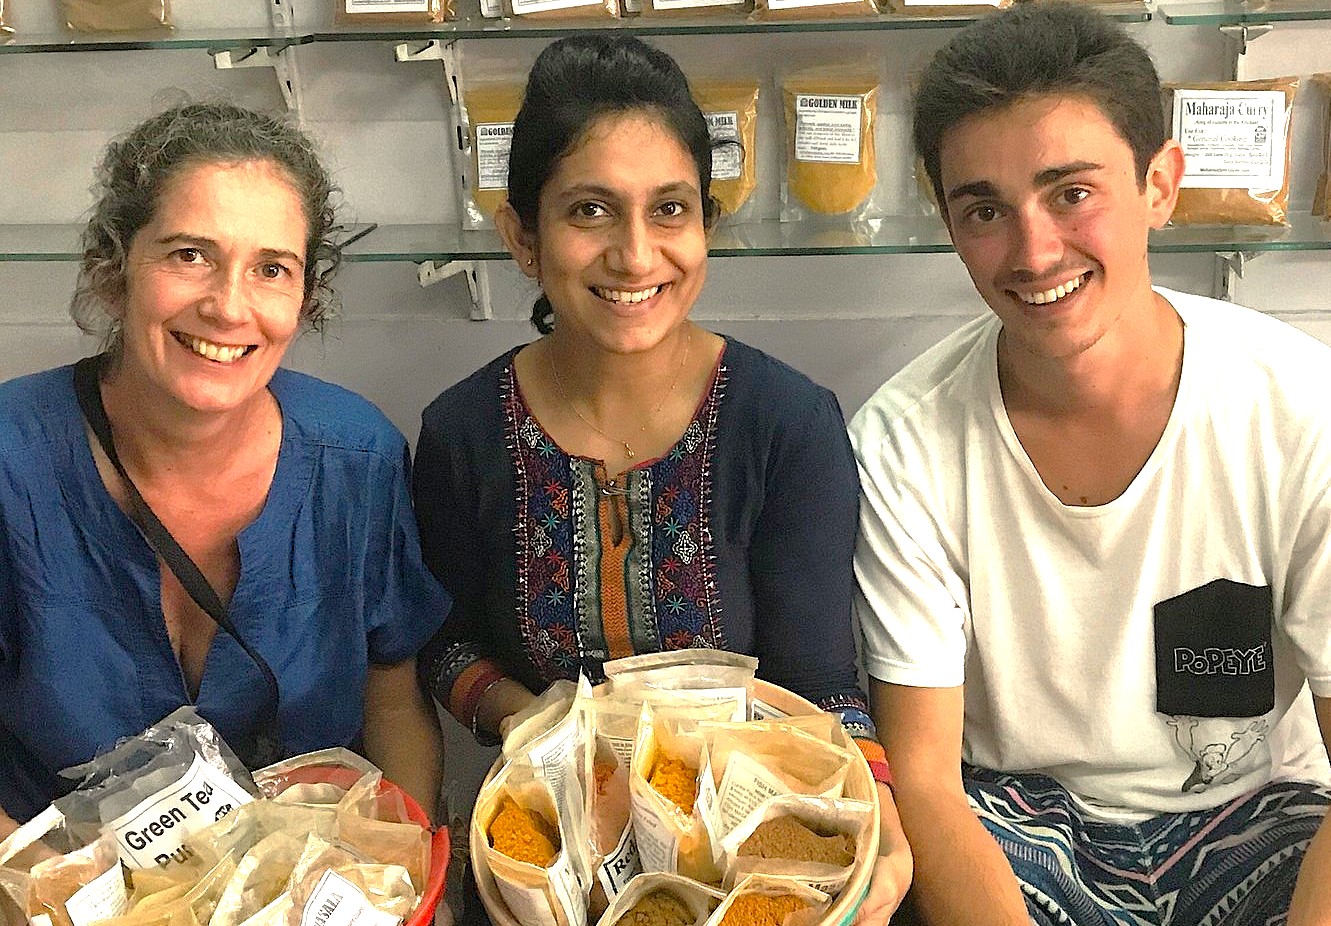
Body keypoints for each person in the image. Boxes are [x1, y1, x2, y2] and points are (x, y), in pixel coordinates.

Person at [412, 33, 910, 924]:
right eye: (590, 212)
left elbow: (821, 684)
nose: (636, 255)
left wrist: (881, 812)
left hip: (748, 853)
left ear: (705, 227)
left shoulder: (784, 426)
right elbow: (443, 643)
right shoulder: (463, 432)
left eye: (669, 210)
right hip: (548, 856)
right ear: (521, 237)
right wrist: (538, 726)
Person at [850, 3, 1331, 924]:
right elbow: (926, 784)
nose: (1033, 253)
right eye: (985, 210)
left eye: (1072, 192)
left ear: (1160, 183)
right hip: (1018, 819)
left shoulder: (1299, 411)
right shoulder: (900, 447)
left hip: (1259, 814)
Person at [0, 102, 450, 835]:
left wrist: (400, 865)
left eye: (271, 269)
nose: (228, 305)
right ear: (114, 273)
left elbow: (391, 697)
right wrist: (52, 898)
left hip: (305, 885)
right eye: (189, 255)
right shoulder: (13, 461)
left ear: (305, 299)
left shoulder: (355, 460)